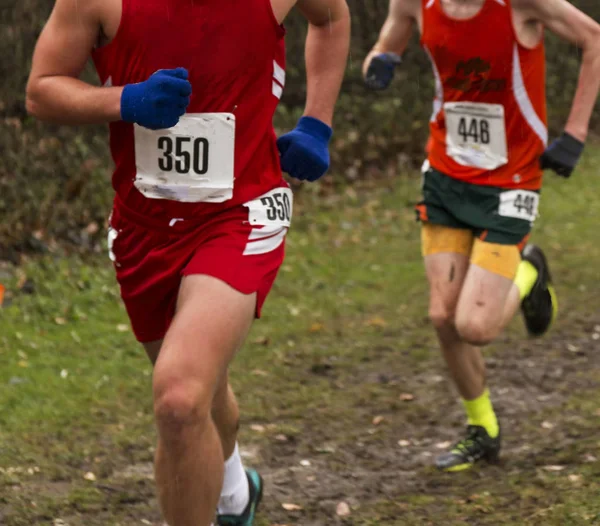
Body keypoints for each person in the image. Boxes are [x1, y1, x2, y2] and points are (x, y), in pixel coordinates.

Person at [26, 0, 350, 523]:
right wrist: (124, 100)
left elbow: (331, 17)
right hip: (143, 227)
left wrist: (317, 123)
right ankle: (235, 494)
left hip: (242, 212)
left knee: (179, 396)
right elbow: (42, 89)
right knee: (199, 386)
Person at [363, 0, 600, 471]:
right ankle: (483, 429)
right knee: (443, 317)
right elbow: (385, 43)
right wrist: (379, 64)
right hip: (447, 173)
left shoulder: (520, 5)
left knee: (476, 327)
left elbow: (594, 37)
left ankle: (529, 270)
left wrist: (574, 133)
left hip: (510, 180)